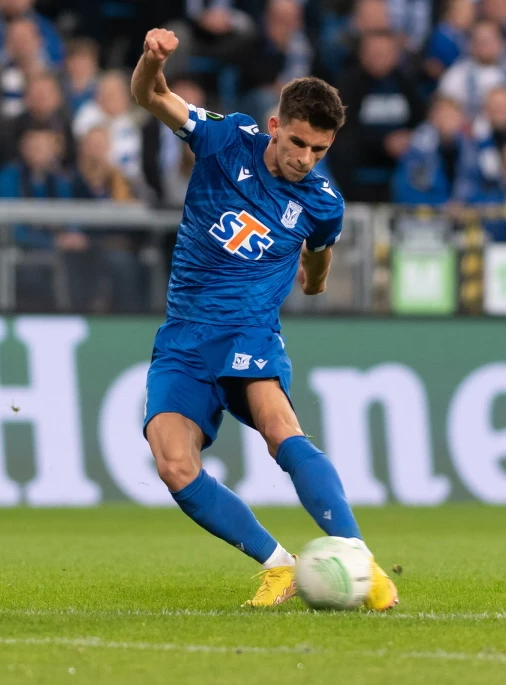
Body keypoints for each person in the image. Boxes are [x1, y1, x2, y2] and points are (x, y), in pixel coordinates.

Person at [129, 28, 399, 609]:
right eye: (299, 143)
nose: (306, 159)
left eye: (319, 150)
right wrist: (151, 63)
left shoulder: (324, 201)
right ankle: (279, 567)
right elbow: (152, 97)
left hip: (249, 330)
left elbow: (321, 252)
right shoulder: (225, 140)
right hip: (183, 335)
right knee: (173, 463)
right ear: (275, 126)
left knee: (282, 429)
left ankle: (361, 561)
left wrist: (316, 279)